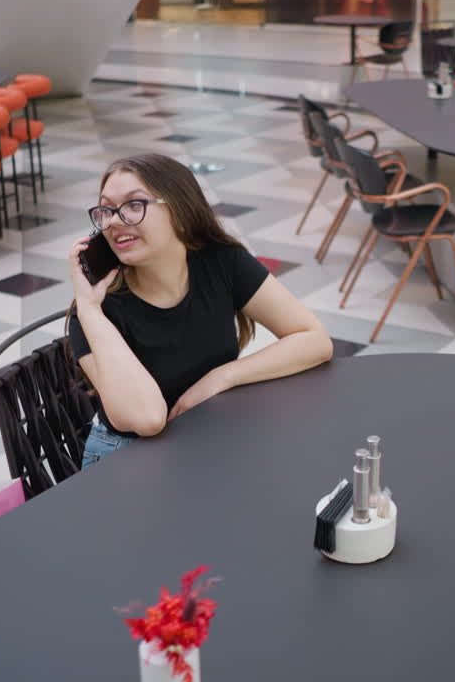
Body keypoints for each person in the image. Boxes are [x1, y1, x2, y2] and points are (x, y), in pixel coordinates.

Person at [67, 153, 333, 469]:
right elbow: (149, 420)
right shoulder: (95, 314)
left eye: (134, 205)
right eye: (107, 209)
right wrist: (89, 309)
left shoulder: (220, 262)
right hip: (129, 459)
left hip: (206, 436)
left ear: (179, 211)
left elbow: (314, 339)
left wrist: (222, 377)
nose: (113, 221)